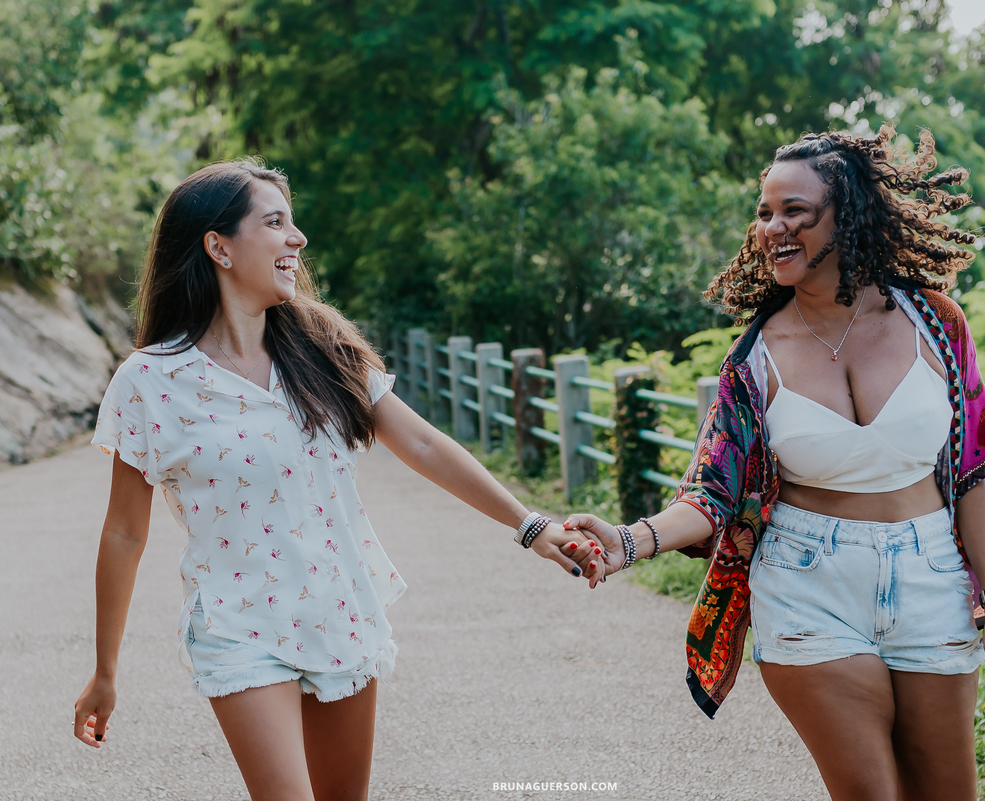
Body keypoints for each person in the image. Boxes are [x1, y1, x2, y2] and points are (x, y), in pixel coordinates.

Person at [72, 159, 599, 801]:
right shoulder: (150, 382)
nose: (297, 240)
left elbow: (424, 444)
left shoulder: (321, 344)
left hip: (339, 606)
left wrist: (530, 524)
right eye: (275, 223)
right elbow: (125, 533)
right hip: (239, 626)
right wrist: (105, 670)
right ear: (219, 247)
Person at [560, 125, 985, 801]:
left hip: (931, 572)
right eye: (764, 212)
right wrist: (628, 540)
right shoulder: (754, 358)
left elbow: (968, 474)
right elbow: (710, 490)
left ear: (847, 214)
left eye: (795, 210)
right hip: (808, 580)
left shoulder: (936, 321)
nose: (773, 227)